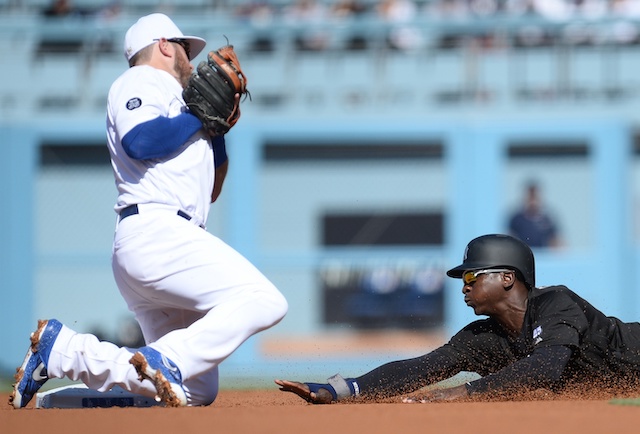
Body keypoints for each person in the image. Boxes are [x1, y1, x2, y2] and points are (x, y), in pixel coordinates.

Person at [9, 13, 288, 409]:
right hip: (156, 233)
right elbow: (139, 141)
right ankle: (162, 358)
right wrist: (195, 117)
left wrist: (215, 130)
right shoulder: (141, 80)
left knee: (195, 391)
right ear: (162, 45)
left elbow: (211, 190)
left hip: (170, 240)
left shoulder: (183, 107)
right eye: (185, 50)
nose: (192, 62)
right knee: (265, 299)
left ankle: (64, 361)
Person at [276, 234, 640, 403]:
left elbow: (545, 368)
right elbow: (422, 368)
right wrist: (342, 390)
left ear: (507, 278)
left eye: (472, 276)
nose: (464, 287)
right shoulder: (483, 337)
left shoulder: (555, 303)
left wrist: (464, 392)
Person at [508, 181, 561, 248]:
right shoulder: (517, 219)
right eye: (530, 198)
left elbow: (555, 242)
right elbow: (510, 241)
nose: (533, 202)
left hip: (542, 255)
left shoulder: (547, 220)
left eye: (535, 198)